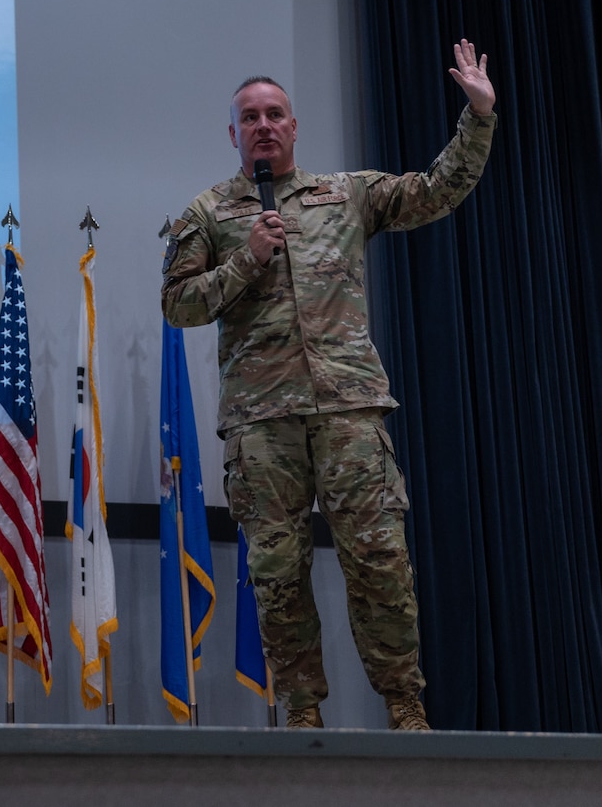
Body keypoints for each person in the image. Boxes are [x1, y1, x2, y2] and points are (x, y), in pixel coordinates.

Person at [159, 39, 497, 731]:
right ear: (233, 132)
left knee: (379, 562)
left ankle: (404, 702)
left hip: (348, 411)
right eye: (250, 116)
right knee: (279, 577)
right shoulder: (208, 214)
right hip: (262, 421)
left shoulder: (346, 195)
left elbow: (435, 191)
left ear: (293, 125)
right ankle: (303, 708)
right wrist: (245, 262)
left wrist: (480, 117)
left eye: (275, 113)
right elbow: (178, 305)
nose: (264, 124)